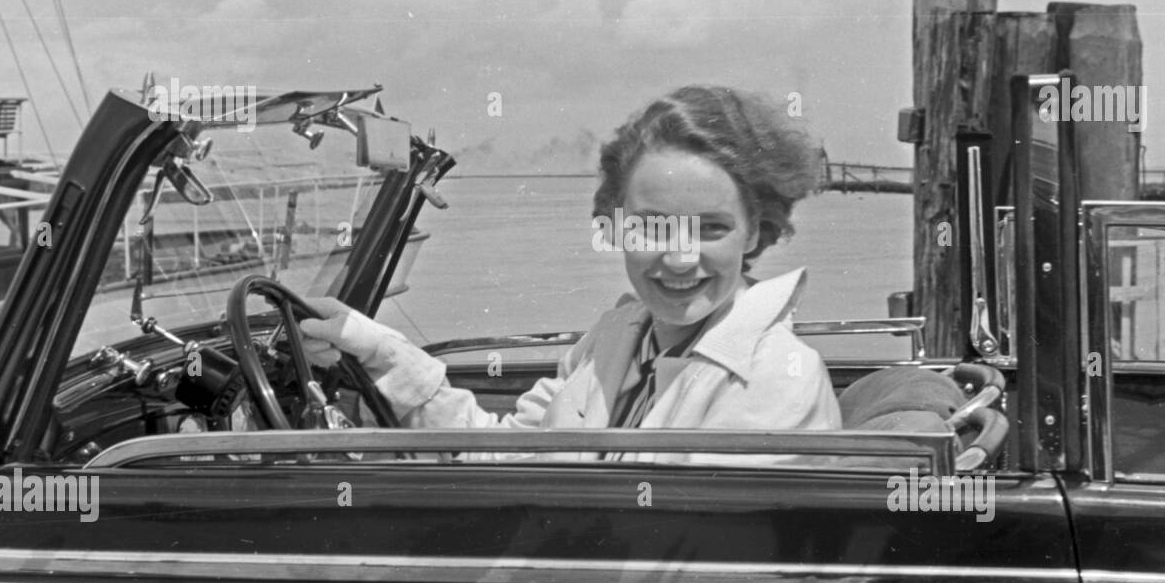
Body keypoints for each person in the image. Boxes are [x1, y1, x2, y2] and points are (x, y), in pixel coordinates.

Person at [298, 85, 842, 455]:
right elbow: (510, 455)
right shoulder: (617, 338)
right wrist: (376, 349)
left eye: (711, 228)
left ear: (757, 231)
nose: (678, 257)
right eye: (653, 227)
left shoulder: (774, 379)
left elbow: (657, 545)